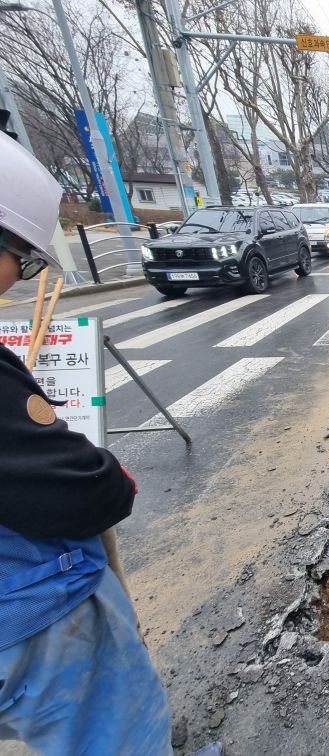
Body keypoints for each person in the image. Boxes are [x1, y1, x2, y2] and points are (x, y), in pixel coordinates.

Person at [0, 131, 172, 754]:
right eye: (19, 254)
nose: (18, 273)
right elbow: (74, 492)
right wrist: (106, 476)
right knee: (121, 738)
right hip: (35, 615)